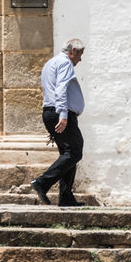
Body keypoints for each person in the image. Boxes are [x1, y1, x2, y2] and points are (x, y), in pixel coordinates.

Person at [32, 38, 86, 207]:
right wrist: (63, 114)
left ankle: (66, 197)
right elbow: (61, 89)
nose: (80, 59)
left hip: (49, 112)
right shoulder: (65, 63)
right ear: (73, 51)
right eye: (80, 55)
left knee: (68, 153)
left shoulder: (50, 63)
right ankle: (42, 182)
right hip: (60, 112)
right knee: (75, 150)